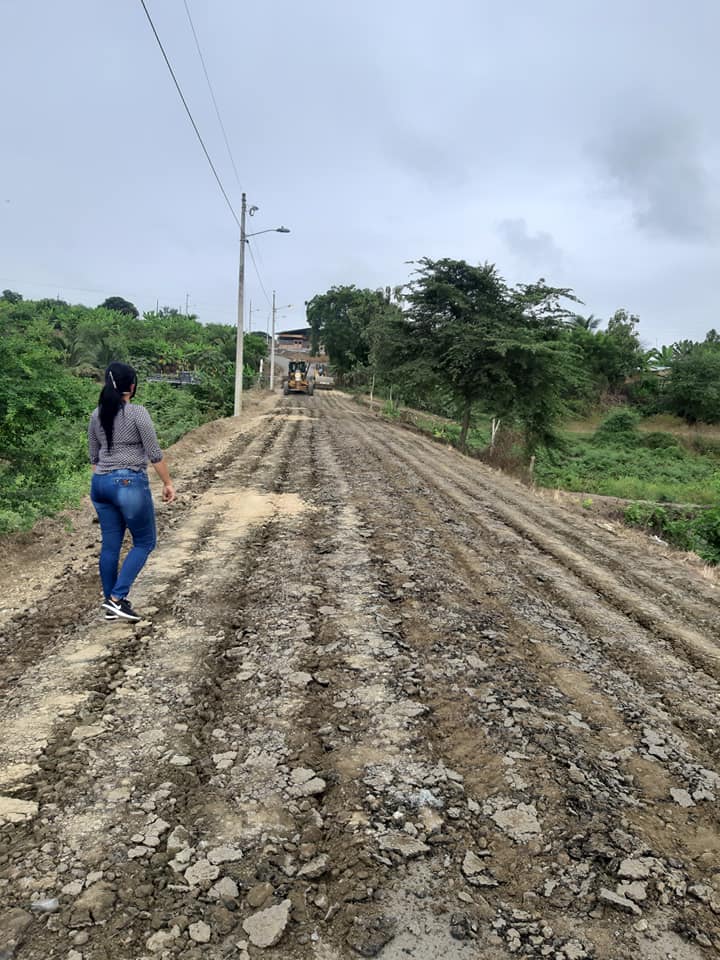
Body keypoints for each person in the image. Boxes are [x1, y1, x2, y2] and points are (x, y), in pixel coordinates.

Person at [88, 362, 175, 622]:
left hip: (100, 484)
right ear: (132, 386)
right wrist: (168, 483)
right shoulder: (138, 413)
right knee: (145, 542)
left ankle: (111, 604)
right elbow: (154, 453)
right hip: (128, 482)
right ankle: (116, 599)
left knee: (110, 545)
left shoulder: (96, 414)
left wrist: (106, 477)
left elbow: (93, 456)